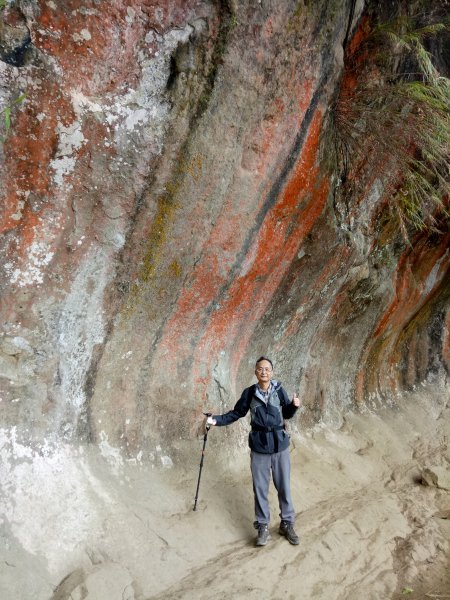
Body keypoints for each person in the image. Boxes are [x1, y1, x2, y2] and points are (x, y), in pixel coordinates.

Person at [206, 356, 301, 547]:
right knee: (260, 489)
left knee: (284, 487)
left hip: (280, 445)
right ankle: (263, 526)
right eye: (260, 369)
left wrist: (293, 406)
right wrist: (215, 420)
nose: (264, 372)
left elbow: (287, 414)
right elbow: (237, 413)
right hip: (259, 447)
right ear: (255, 372)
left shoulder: (279, 389)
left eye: (267, 369)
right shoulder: (249, 393)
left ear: (272, 372)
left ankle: (287, 523)